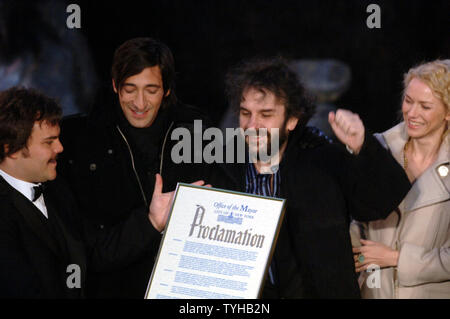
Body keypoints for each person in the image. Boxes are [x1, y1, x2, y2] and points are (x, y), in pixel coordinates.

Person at [208, 57, 411, 298]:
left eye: (265, 114)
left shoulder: (322, 159)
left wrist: (363, 146)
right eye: (245, 113)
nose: (252, 125)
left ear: (292, 119)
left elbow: (379, 203)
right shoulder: (222, 167)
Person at [0, 87, 190, 298]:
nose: (60, 148)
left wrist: (152, 222)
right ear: (11, 149)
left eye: (58, 138)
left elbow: (95, 251)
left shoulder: (58, 190)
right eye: (49, 142)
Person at [58, 37, 208, 298]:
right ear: (115, 86)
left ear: (167, 89)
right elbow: (87, 250)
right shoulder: (79, 142)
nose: (140, 103)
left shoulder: (197, 132)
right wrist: (149, 223)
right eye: (130, 89)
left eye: (151, 90)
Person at [351, 59, 450, 298]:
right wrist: (359, 257)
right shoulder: (377, 150)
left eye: (425, 106)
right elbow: (355, 226)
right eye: (408, 101)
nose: (412, 113)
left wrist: (396, 258)